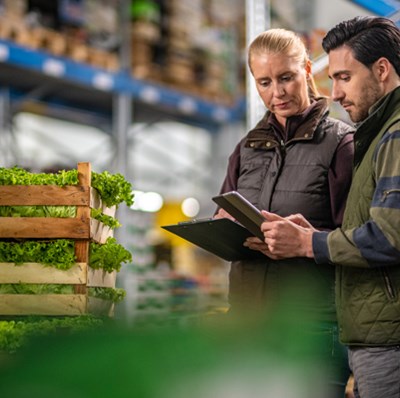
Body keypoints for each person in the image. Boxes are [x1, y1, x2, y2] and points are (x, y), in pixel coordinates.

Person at [254, 16, 400, 398]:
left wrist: (309, 243)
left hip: (383, 334)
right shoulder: (379, 132)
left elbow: (389, 236)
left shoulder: (388, 136)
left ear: (381, 70)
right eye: (263, 82)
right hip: (371, 332)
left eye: (344, 77)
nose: (334, 93)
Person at [214, 28, 354, 396]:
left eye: (286, 77)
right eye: (264, 82)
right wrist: (222, 229)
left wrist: (306, 241)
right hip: (246, 318)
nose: (276, 92)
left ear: (307, 69)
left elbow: (360, 239)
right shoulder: (246, 149)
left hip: (311, 323)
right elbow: (226, 205)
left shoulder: (341, 143)